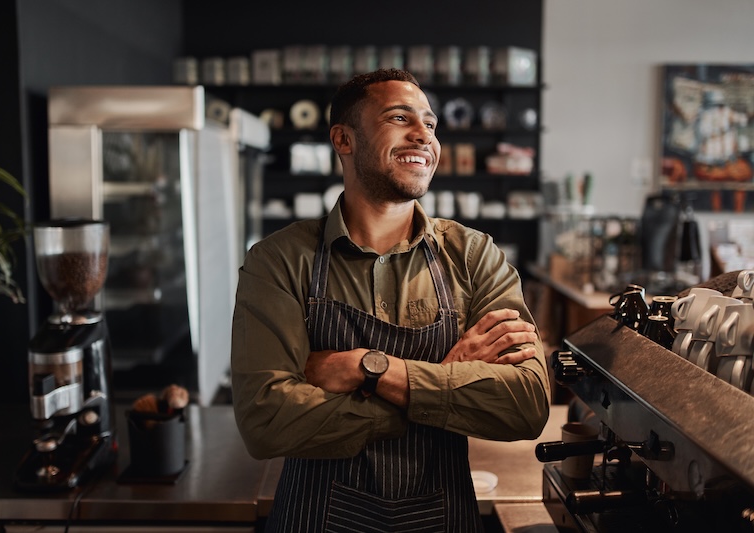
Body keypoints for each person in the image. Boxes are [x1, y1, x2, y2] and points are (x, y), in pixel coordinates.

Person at [231, 68, 550, 533]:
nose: (423, 135)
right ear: (344, 139)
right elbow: (266, 422)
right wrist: (441, 380)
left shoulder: (474, 255)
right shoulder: (279, 261)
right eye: (400, 118)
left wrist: (367, 368)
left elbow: (526, 405)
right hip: (315, 519)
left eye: (430, 123)